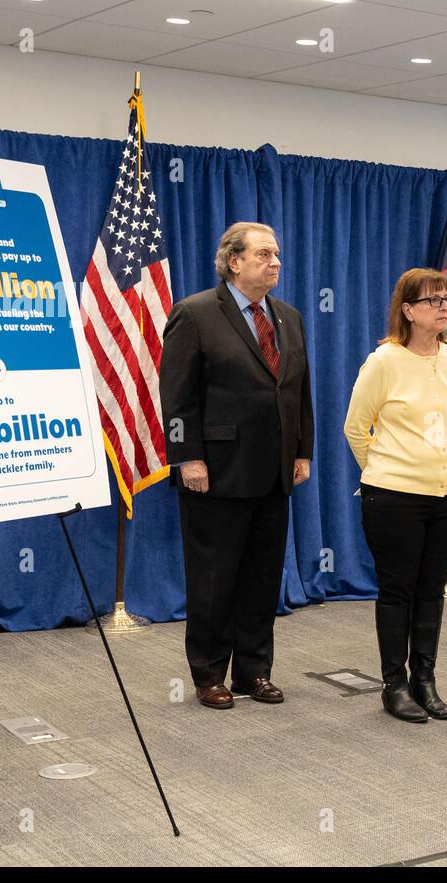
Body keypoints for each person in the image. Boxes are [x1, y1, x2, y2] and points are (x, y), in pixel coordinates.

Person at [159, 222, 314, 710]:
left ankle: (254, 672)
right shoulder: (195, 313)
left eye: (278, 254)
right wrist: (188, 458)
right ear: (233, 261)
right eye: (265, 254)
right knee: (213, 579)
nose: (276, 263)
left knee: (261, 578)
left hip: (273, 472)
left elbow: (298, 392)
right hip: (216, 473)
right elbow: (177, 399)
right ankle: (209, 674)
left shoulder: (287, 316)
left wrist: (302, 450)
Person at [344, 268, 447, 723]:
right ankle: (394, 684)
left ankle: (425, 681)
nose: (443, 308)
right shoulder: (384, 361)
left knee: (431, 589)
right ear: (408, 310)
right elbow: (355, 428)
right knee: (397, 590)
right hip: (393, 495)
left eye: (446, 300)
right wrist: (384, 469)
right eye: (433, 301)